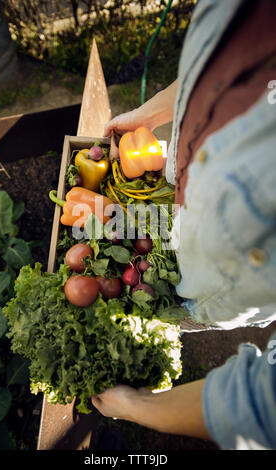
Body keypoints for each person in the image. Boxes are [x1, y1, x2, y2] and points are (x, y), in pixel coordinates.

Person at [91, 0, 276, 450]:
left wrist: (135, 407)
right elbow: (217, 64)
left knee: (175, 302)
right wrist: (151, 114)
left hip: (213, 286)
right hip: (185, 205)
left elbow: (264, 406)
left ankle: (169, 325)